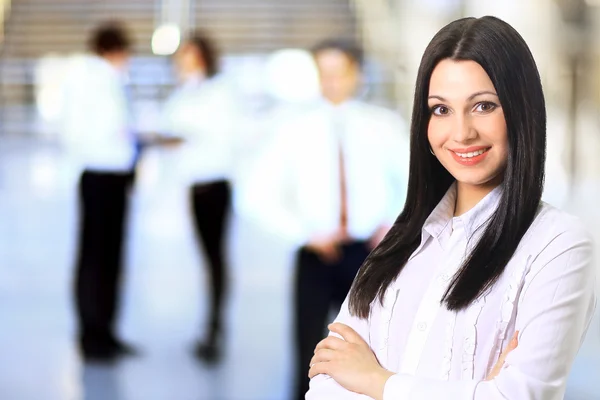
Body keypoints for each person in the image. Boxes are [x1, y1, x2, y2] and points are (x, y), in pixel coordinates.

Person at [305, 16, 597, 400]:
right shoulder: (402, 239)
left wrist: (376, 380)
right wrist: (475, 390)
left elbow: (518, 396)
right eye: (441, 109)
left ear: (521, 110)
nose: (461, 133)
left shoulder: (558, 244)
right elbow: (326, 383)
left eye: (483, 106)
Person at [239, 39, 409, 400]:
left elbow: (413, 185)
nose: (331, 80)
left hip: (370, 255)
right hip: (317, 254)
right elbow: (254, 194)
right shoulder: (294, 130)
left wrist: (390, 225)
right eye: (323, 72)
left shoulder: (383, 126)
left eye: (340, 72)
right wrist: (302, 233)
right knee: (309, 352)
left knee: (373, 349)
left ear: (357, 75)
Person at [160, 31, 240, 364]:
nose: (185, 64)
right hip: (195, 187)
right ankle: (212, 326)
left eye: (190, 57)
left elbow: (210, 131)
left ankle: (215, 328)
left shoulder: (217, 91)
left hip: (215, 186)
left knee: (215, 259)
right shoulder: (185, 92)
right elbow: (170, 124)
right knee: (208, 258)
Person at [61, 22, 139, 362]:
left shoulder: (110, 81)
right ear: (114, 50)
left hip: (113, 180)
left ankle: (106, 332)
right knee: (95, 260)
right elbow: (84, 132)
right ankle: (91, 335)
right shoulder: (88, 79)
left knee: (110, 260)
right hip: (99, 178)